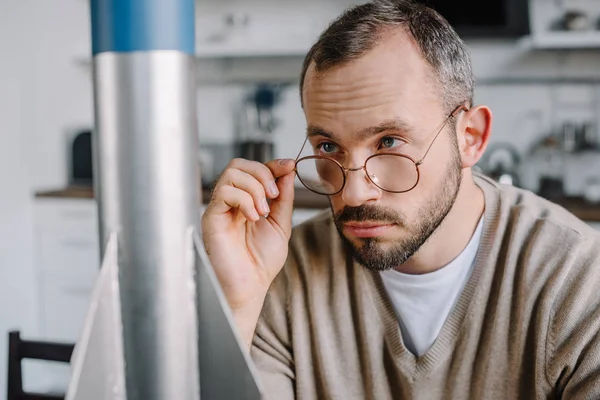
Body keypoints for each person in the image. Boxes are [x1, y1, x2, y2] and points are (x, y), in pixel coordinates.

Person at [201, 0, 600, 398]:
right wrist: (236, 307)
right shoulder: (281, 271)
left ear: (470, 138)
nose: (354, 192)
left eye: (388, 142)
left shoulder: (578, 280)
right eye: (328, 146)